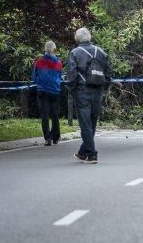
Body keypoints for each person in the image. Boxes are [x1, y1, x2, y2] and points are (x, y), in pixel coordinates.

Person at [66, 27, 115, 164]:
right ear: (90, 37)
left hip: (82, 91)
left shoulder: (75, 53)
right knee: (92, 122)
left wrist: (72, 89)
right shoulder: (100, 52)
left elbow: (72, 73)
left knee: (85, 123)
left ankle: (92, 154)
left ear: (76, 39)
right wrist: (104, 87)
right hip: (97, 91)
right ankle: (83, 153)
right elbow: (108, 72)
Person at [31, 41, 63, 146]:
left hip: (42, 91)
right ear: (54, 49)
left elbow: (34, 77)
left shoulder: (39, 61)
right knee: (54, 115)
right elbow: (59, 76)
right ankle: (56, 137)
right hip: (54, 90)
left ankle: (47, 138)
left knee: (44, 115)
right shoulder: (58, 62)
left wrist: (39, 83)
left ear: (45, 49)